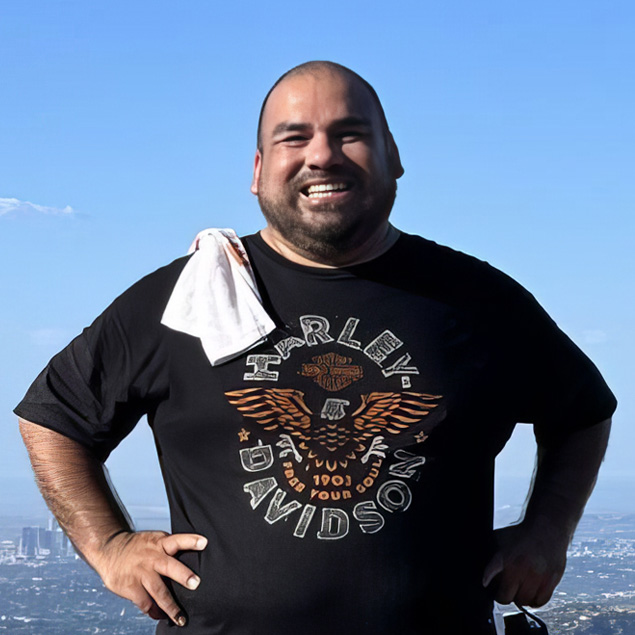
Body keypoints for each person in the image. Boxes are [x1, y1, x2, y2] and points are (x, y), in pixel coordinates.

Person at [16, 61, 616, 634]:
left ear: (394, 159)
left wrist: (548, 531)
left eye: (349, 134)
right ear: (257, 170)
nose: (321, 154)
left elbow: (582, 412)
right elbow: (55, 417)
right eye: (293, 137)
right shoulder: (185, 300)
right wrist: (110, 546)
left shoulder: (478, 300)